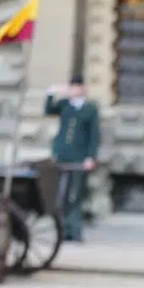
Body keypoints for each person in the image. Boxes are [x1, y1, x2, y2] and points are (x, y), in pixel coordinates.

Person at [44, 75, 99, 242]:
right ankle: (65, 230)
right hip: (63, 155)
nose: (74, 90)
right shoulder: (65, 105)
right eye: (72, 87)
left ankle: (76, 230)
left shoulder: (90, 109)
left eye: (77, 87)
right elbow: (48, 110)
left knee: (76, 194)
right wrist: (51, 93)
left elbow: (94, 135)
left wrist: (90, 156)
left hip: (79, 157)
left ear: (83, 89)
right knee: (63, 194)